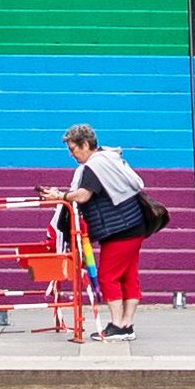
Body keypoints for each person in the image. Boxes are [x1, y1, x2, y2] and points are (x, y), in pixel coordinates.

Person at [37, 124, 145, 341]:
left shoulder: (94, 166)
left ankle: (117, 326)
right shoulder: (110, 158)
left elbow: (84, 195)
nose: (71, 154)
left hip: (119, 229)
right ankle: (127, 325)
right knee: (128, 276)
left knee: (108, 276)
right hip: (134, 224)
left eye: (73, 148)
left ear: (85, 144)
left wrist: (60, 195)